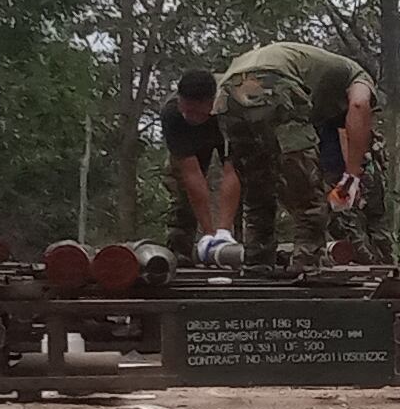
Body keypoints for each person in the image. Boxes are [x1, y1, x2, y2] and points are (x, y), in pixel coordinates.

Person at [217, 39, 377, 262]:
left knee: (257, 187)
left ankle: (257, 259)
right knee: (306, 193)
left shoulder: (319, 72)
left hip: (227, 89)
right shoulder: (358, 76)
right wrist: (351, 177)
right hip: (274, 82)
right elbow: (359, 106)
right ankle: (308, 263)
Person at [158, 69, 229, 252]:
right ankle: (180, 248)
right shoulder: (172, 113)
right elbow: (192, 176)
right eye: (187, 110)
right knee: (181, 188)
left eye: (197, 112)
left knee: (244, 179)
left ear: (212, 103)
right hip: (189, 140)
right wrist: (208, 232)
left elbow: (232, 171)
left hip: (223, 130)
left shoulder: (230, 108)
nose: (191, 117)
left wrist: (223, 231)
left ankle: (236, 245)